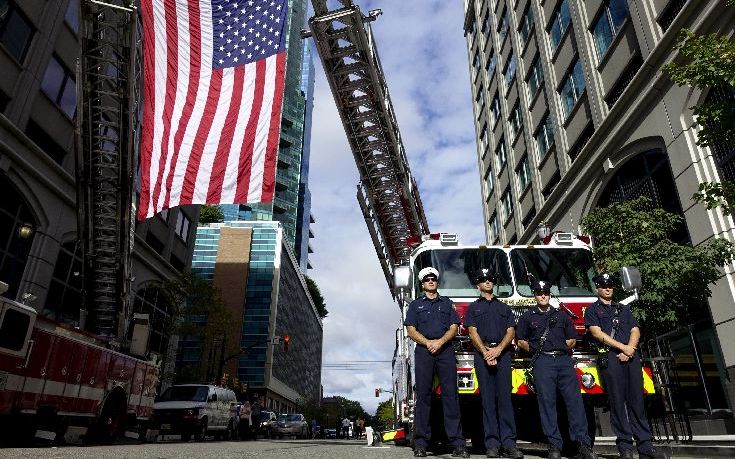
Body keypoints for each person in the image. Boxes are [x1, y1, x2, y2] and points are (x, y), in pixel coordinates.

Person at [585, 272, 667, 459]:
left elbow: (635, 329)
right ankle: (625, 448)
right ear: (597, 288)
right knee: (617, 403)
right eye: (604, 286)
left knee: (637, 402)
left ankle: (646, 446)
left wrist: (630, 349)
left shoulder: (623, 309)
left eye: (611, 286)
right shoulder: (592, 310)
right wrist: (623, 348)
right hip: (611, 358)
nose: (608, 288)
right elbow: (597, 334)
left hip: (631, 357)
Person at [516, 280, 596, 459]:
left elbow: (572, 339)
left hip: (563, 360)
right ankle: (554, 445)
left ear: (549, 294)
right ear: (534, 295)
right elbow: (520, 340)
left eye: (545, 292)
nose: (542, 295)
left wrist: (560, 347)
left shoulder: (561, 316)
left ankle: (582, 444)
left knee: (574, 403)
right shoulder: (527, 317)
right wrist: (538, 350)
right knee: (547, 404)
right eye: (539, 293)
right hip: (542, 362)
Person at [404, 266, 470, 458]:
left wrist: (440, 342)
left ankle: (457, 444)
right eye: (427, 280)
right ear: (422, 284)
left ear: (437, 282)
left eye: (433, 279)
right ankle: (421, 444)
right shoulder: (416, 305)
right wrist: (428, 343)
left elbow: (454, 326)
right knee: (423, 398)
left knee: (451, 397)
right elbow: (410, 329)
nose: (431, 282)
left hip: (446, 351)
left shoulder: (447, 303)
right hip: (424, 352)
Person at [464, 268, 523, 459]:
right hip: (482, 356)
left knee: (505, 401)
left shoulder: (504, 308)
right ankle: (492, 445)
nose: (488, 282)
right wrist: (485, 352)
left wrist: (498, 350)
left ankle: (510, 444)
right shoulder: (473, 308)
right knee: (487, 401)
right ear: (478, 285)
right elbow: (472, 332)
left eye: (490, 279)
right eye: (484, 279)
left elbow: (511, 331)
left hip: (503, 355)